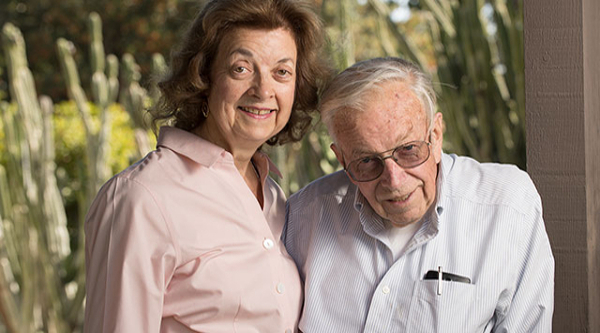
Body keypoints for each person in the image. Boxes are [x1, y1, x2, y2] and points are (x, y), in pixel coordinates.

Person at [84, 0, 330, 331]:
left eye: (282, 72)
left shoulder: (273, 195)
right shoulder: (143, 197)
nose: (263, 90)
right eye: (241, 68)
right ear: (203, 75)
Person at [283, 57, 554, 332]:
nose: (394, 180)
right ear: (341, 159)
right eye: (366, 161)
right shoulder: (302, 218)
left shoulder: (507, 206)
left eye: (409, 150)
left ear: (435, 135)